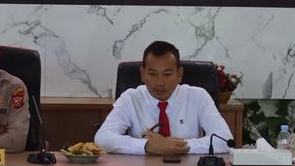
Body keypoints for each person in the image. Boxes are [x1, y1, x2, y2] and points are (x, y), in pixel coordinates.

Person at [94, 41, 233, 156]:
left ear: (179, 74)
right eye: (152, 74)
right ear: (142, 73)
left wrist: (173, 146)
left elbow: (225, 140)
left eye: (167, 74)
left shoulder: (198, 96)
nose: (159, 82)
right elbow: (102, 138)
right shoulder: (130, 98)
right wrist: (147, 146)